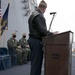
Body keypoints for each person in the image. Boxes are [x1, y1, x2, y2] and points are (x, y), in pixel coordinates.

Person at [28, 0, 54, 75]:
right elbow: (42, 31)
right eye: (45, 10)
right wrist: (52, 33)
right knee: (36, 63)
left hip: (33, 40)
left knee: (35, 62)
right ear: (44, 8)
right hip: (36, 41)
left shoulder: (33, 14)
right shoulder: (38, 15)